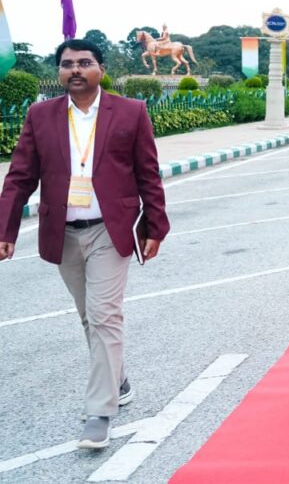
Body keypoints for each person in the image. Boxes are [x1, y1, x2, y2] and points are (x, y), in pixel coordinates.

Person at [0, 39, 169, 450]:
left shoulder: (130, 112)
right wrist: (5, 229)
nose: (75, 69)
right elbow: (20, 175)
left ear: (100, 69)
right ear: (59, 72)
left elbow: (148, 173)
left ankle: (99, 412)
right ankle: (118, 379)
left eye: (84, 62)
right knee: (89, 317)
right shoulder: (40, 115)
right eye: (67, 64)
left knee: (104, 315)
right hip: (63, 232)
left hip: (109, 230)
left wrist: (155, 225)